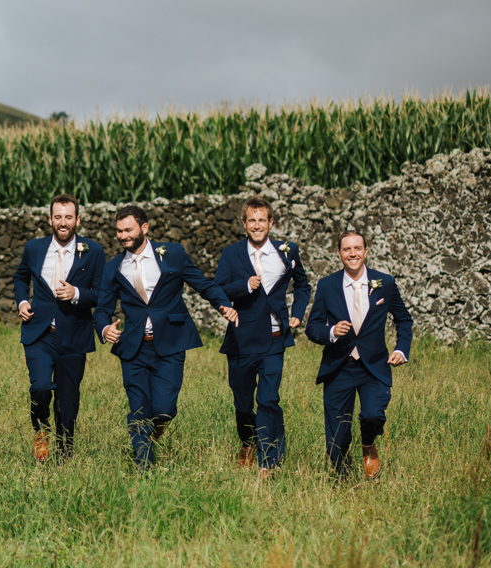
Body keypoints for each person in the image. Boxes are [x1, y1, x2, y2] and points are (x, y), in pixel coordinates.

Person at [94, 205, 236, 471]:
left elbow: (202, 283)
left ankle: (151, 434)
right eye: (118, 231)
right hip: (133, 348)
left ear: (144, 228)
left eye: (128, 230)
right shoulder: (113, 267)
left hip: (170, 343)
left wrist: (223, 305)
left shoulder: (173, 253)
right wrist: (104, 329)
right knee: (138, 410)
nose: (122, 235)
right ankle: (143, 468)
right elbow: (102, 308)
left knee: (164, 409)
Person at [214, 197, 312, 477]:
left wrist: (298, 311)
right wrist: (244, 285)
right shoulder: (231, 253)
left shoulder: (287, 250)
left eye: (262, 220)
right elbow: (218, 289)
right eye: (251, 220)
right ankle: (247, 442)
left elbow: (302, 285)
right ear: (244, 224)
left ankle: (269, 459)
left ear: (271, 222)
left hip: (274, 337)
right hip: (241, 338)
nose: (257, 226)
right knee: (243, 401)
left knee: (268, 399)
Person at [306, 231, 412, 479]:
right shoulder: (327, 285)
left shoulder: (384, 282)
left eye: (357, 248)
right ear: (339, 253)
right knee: (336, 439)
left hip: (373, 367)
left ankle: (368, 444)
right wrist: (331, 331)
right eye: (346, 249)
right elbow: (312, 327)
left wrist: (400, 349)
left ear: (366, 251)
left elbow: (404, 320)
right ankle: (345, 482)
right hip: (338, 367)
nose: (352, 253)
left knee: (373, 415)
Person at [11, 194, 105, 463]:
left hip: (75, 333)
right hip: (38, 332)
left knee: (68, 399)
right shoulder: (34, 248)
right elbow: (20, 278)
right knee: (40, 387)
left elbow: (101, 293)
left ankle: (65, 452)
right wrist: (22, 300)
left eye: (68, 217)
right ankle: (41, 432)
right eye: (58, 217)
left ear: (78, 219)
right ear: (49, 219)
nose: (63, 222)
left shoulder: (94, 251)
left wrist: (77, 293)